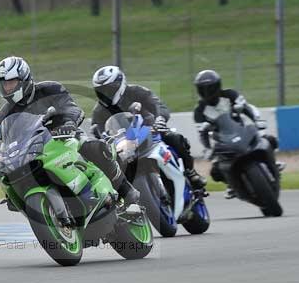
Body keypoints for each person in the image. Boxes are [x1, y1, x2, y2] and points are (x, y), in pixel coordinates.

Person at [0, 56, 140, 211]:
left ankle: (126, 191)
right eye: (4, 85)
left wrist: (68, 123)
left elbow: (71, 107)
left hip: (65, 136)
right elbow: (3, 140)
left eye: (11, 83)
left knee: (95, 148)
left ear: (24, 78)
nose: (7, 88)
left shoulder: (49, 89)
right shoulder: (4, 114)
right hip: (33, 149)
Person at [89, 65, 207, 190]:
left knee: (175, 138)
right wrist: (100, 141)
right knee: (106, 167)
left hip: (148, 130)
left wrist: (160, 119)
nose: (106, 93)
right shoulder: (99, 111)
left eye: (109, 89)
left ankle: (191, 173)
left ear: (120, 83)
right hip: (122, 145)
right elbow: (98, 131)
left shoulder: (137, 91)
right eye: (101, 90)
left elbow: (158, 106)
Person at [192, 69, 285, 198]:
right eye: (203, 89)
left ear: (218, 86)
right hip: (222, 140)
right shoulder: (199, 110)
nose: (207, 92)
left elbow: (248, 108)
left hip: (242, 130)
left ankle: (273, 164)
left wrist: (258, 123)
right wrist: (208, 148)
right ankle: (231, 183)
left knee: (270, 140)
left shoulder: (230, 94)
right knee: (215, 171)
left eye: (210, 88)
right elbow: (202, 132)